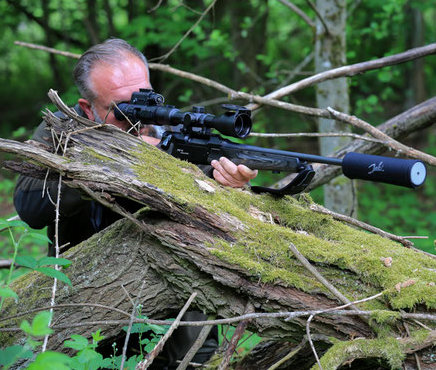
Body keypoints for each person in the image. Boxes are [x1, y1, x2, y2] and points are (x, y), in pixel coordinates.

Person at [13, 38, 257, 368]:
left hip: (172, 299)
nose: (139, 119)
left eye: (145, 98)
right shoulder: (61, 128)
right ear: (88, 108)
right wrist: (109, 168)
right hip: (85, 294)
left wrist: (234, 188)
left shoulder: (176, 132)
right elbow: (29, 206)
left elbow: (225, 221)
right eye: (122, 110)